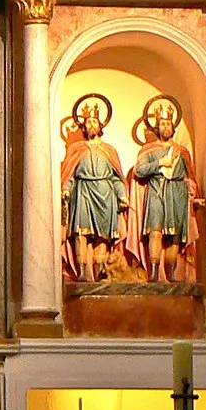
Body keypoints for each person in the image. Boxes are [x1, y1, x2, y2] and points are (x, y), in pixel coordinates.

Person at [126, 95, 202, 282]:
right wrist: (160, 163)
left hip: (177, 193)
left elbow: (189, 178)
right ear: (156, 128)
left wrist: (194, 197)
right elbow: (140, 170)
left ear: (173, 127)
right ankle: (153, 272)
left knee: (174, 236)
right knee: (156, 231)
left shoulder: (182, 152)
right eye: (162, 124)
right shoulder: (149, 150)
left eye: (168, 124)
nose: (166, 127)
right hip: (156, 193)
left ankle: (171, 274)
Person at [59, 97, 125, 280]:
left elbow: (117, 177)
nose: (91, 124)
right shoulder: (76, 149)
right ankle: (81, 272)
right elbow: (70, 174)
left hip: (105, 192)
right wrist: (66, 188)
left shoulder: (109, 150)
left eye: (94, 121)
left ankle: (100, 271)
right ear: (83, 126)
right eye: (88, 121)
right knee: (81, 232)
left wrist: (122, 195)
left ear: (101, 124)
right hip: (84, 192)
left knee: (103, 236)